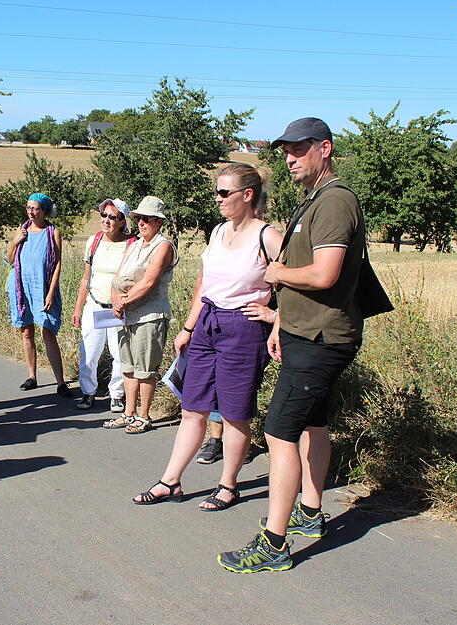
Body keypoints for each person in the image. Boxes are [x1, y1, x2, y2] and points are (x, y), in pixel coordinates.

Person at [218, 117, 365, 573]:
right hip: (306, 331)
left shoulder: (335, 202)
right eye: (286, 149)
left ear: (326, 148)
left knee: (278, 432)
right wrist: (282, 318)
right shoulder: (313, 200)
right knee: (312, 425)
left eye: (300, 148)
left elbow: (324, 275)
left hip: (324, 338)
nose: (290, 157)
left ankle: (274, 544)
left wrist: (277, 275)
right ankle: (309, 512)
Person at [132, 164, 282, 509]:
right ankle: (170, 482)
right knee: (192, 408)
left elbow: (293, 280)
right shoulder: (218, 232)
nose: (217, 199)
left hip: (244, 329)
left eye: (224, 192)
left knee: (234, 413)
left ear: (247, 195)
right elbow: (205, 284)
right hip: (208, 325)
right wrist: (188, 328)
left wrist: (276, 316)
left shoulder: (267, 236)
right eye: (217, 192)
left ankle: (228, 486)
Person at [108, 196, 178, 433]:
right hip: (126, 314)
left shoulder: (163, 246)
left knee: (145, 367)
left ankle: (144, 415)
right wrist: (115, 300)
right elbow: (117, 277)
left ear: (159, 222)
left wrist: (123, 301)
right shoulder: (134, 244)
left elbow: (149, 281)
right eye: (138, 218)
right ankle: (129, 413)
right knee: (127, 365)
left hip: (150, 314)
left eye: (147, 219)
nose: (141, 223)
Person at [5, 193, 71, 398]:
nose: (31, 212)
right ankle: (32, 376)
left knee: (47, 332)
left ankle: (60, 382)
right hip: (21, 287)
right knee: (26, 331)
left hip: (42, 288)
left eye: (35, 208)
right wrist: (15, 241)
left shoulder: (53, 232)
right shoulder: (22, 230)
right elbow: (9, 260)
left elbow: (58, 263)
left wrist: (51, 292)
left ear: (44, 210)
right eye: (28, 208)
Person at [71, 199, 133, 412]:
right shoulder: (94, 241)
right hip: (95, 305)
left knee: (119, 354)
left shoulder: (131, 244)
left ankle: (116, 395)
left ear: (122, 220)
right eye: (104, 215)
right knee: (89, 351)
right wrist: (78, 307)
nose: (106, 220)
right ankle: (88, 393)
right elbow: (86, 277)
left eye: (112, 217)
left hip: (118, 309)